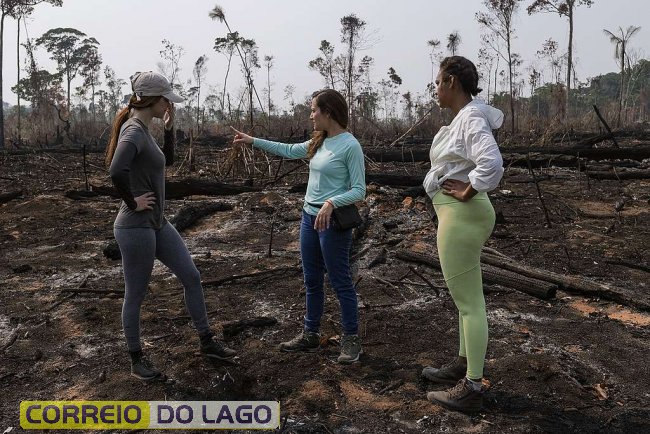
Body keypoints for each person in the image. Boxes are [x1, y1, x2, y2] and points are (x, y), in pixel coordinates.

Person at [106, 71, 236, 381]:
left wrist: (168, 130)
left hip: (157, 223)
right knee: (136, 294)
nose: (169, 105)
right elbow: (116, 170)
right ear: (153, 99)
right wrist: (133, 202)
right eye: (166, 100)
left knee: (191, 276)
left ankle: (207, 342)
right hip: (135, 227)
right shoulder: (133, 131)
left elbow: (166, 162)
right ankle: (136, 360)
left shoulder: (143, 129)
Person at [231, 89, 366, 364]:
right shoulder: (319, 141)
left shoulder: (350, 146)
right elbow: (288, 150)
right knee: (312, 279)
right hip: (308, 218)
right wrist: (252, 140)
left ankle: (351, 340)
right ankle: (310, 333)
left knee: (340, 281)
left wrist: (331, 203)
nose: (311, 115)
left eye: (314, 110)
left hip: (332, 222)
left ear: (328, 112)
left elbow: (359, 190)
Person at [420, 56, 504, 412]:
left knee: (470, 304)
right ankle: (462, 363)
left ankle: (472, 387)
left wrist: (469, 189)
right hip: (460, 215)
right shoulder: (465, 118)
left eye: (438, 82)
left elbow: (492, 163)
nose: (436, 89)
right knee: (467, 299)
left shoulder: (470, 118)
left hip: (462, 215)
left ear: (451, 82)